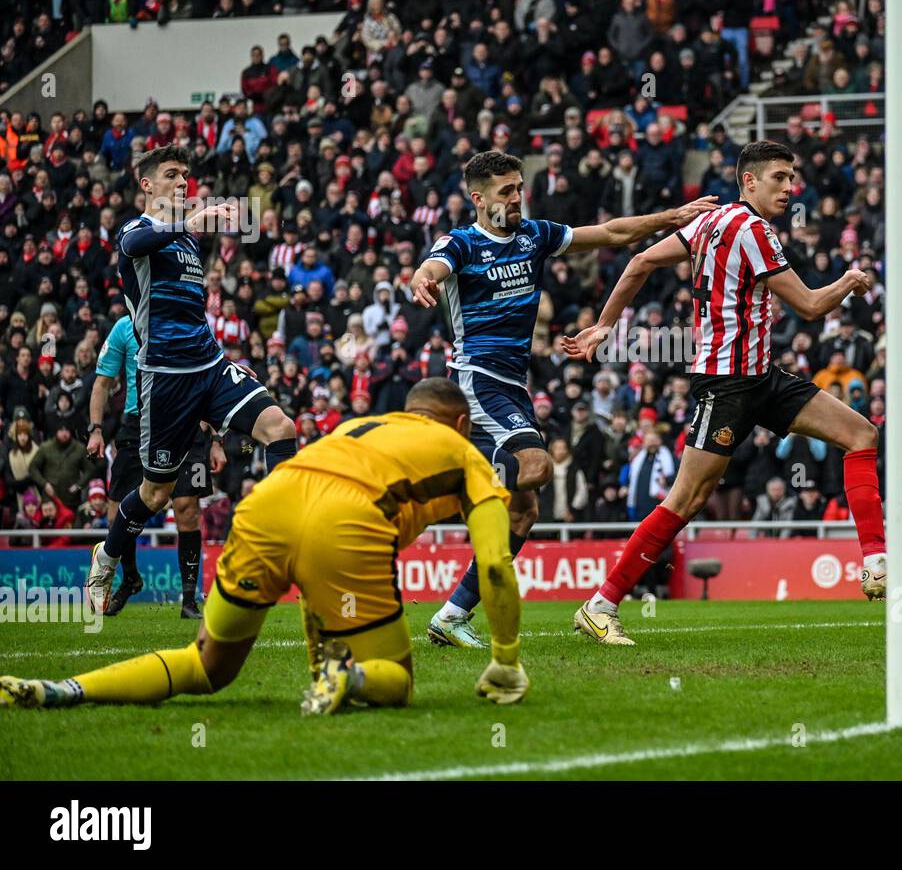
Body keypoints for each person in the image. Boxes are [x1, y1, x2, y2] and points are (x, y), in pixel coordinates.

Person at [1, 379, 529, 713]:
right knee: (396, 683)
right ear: (461, 423)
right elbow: (496, 564)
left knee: (208, 665)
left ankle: (66, 689)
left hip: (267, 506)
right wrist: (505, 661)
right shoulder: (465, 455)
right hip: (348, 526)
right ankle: (351, 675)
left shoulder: (357, 426)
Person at [562, 140, 885, 645]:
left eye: (792, 177)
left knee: (860, 433)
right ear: (749, 181)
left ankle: (877, 562)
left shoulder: (707, 223)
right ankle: (600, 605)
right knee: (687, 497)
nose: (790, 187)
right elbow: (809, 307)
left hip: (762, 375)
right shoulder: (754, 230)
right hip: (727, 383)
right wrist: (849, 280)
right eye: (779, 177)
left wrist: (604, 325)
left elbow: (640, 262)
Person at [406, 151, 715, 647]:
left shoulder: (535, 235)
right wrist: (424, 279)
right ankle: (435, 483)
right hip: (476, 378)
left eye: (518, 187)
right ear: (477, 198)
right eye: (506, 190)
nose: (516, 197)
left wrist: (671, 218)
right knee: (538, 466)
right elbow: (433, 265)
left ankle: (450, 616)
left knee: (524, 512)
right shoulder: (462, 243)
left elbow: (612, 233)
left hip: (514, 384)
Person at [84, 146, 299, 615]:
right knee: (155, 493)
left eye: (186, 176)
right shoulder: (135, 232)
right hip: (165, 379)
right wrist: (197, 216)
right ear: (147, 185)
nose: (183, 183)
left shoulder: (188, 241)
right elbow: (137, 246)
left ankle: (286, 531)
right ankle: (108, 556)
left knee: (281, 428)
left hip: (210, 365)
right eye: (171, 176)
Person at [87, 314, 227, 618]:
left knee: (188, 506)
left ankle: (189, 600)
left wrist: (216, 439)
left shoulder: (186, 318)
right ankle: (132, 578)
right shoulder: (123, 328)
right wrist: (95, 429)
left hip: (186, 421)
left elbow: (212, 377)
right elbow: (102, 382)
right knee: (116, 513)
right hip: (138, 424)